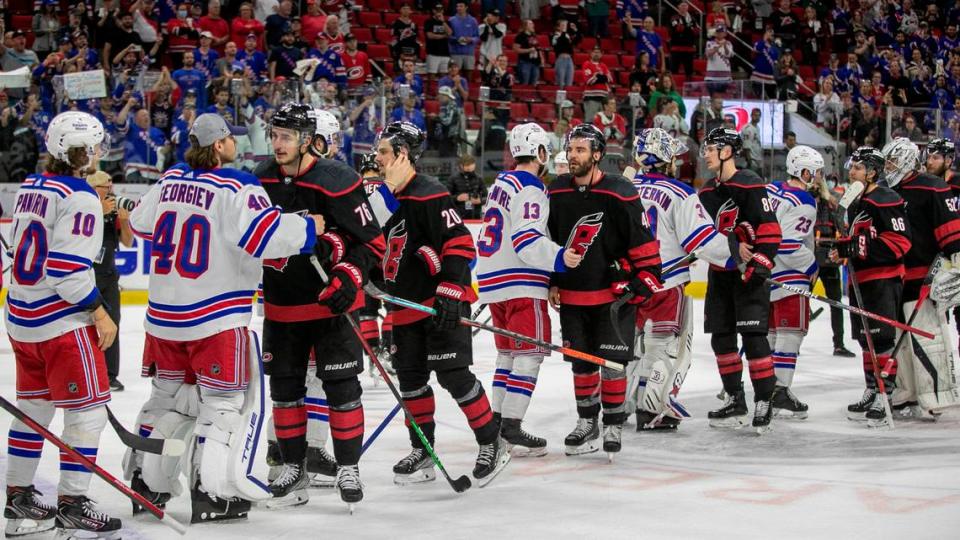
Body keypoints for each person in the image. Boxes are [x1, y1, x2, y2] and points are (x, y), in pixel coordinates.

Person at [126, 113, 325, 523]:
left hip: (162, 317)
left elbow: (139, 224)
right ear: (219, 146)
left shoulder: (169, 180)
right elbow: (265, 238)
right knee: (223, 406)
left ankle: (146, 484)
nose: (235, 144)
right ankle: (214, 495)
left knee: (165, 401)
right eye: (230, 139)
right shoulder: (237, 184)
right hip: (215, 317)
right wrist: (308, 228)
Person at [253, 103, 385, 509]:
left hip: (331, 307)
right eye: (274, 135)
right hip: (281, 306)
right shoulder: (260, 180)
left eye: (286, 137)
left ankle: (348, 466)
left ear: (307, 140)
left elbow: (373, 243)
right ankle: (293, 467)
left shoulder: (339, 179)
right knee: (285, 390)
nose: (277, 144)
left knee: (342, 389)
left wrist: (349, 276)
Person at [373, 121, 510, 487]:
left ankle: (491, 442)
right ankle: (423, 450)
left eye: (385, 151)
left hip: (439, 304)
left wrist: (450, 288)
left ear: (402, 154)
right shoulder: (381, 199)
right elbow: (372, 249)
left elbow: (462, 243)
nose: (378, 157)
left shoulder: (430, 193)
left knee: (454, 376)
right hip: (403, 307)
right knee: (411, 381)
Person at [4, 111, 120, 538]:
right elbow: (68, 272)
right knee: (86, 413)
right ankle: (73, 502)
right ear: (83, 150)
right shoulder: (82, 196)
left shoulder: (31, 187)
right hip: (60, 325)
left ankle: (18, 502)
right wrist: (101, 311)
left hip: (21, 319)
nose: (99, 152)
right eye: (95, 145)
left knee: (33, 410)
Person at [547, 124, 662, 458]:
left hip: (613, 296)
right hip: (573, 295)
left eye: (581, 150)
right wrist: (552, 280)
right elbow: (551, 241)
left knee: (612, 363)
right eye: (571, 150)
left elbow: (641, 238)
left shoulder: (619, 190)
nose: (573, 155)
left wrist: (647, 276)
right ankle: (587, 422)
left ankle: (612, 423)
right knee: (581, 365)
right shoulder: (556, 191)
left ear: (597, 155)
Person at [476, 123, 583, 455]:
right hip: (521, 283)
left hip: (493, 282)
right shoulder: (531, 186)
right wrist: (561, 258)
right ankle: (511, 425)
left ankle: (496, 422)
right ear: (539, 152)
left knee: (507, 354)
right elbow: (527, 240)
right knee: (530, 355)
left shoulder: (500, 183)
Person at [627, 128, 733, 431]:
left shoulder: (622, 188)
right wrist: (737, 255)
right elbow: (702, 240)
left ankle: (618, 405)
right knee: (667, 347)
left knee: (630, 348)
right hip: (666, 281)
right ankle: (652, 408)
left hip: (630, 283)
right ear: (665, 159)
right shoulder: (680, 192)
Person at [698, 127, 783, 433]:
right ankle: (735, 398)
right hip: (720, 276)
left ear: (727, 151)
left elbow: (770, 228)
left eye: (711, 148)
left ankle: (764, 399)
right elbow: (704, 235)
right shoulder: (706, 191)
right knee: (721, 338)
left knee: (753, 337)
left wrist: (761, 262)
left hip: (748, 277)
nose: (705, 154)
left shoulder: (750, 183)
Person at [830, 147, 912, 427]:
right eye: (851, 167)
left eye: (857, 167)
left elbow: (901, 242)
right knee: (866, 340)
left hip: (882, 280)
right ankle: (871, 389)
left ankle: (884, 394)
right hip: (860, 281)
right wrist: (843, 250)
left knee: (882, 340)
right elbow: (855, 240)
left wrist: (858, 247)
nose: (851, 172)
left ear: (872, 172)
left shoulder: (886, 199)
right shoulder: (856, 201)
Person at [882, 138, 960, 418]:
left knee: (926, 337)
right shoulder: (886, 192)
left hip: (925, 277)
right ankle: (907, 394)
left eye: (891, 161)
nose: (887, 167)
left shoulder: (933, 187)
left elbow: (952, 235)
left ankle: (935, 394)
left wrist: (955, 266)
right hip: (894, 278)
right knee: (900, 340)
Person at [764, 146, 823, 419]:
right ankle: (781, 390)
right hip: (791, 275)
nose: (818, 177)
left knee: (773, 333)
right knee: (791, 334)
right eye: (816, 172)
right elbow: (787, 244)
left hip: (767, 273)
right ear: (804, 171)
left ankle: (766, 389)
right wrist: (811, 264)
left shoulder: (771, 189)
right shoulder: (804, 201)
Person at [87, 171, 134, 393]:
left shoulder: (114, 212)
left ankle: (109, 375)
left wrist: (124, 222)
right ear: (95, 189)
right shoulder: (84, 208)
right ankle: (88, 371)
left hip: (108, 275)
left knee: (113, 322)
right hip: (87, 275)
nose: (112, 192)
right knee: (86, 326)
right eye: (107, 187)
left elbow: (127, 241)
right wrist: (97, 212)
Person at [811, 174, 856, 358]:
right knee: (800, 300)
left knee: (836, 303)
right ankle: (793, 341)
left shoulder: (831, 203)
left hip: (828, 255)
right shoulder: (806, 200)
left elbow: (842, 228)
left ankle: (839, 344)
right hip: (811, 256)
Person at [444, 155, 486, 219]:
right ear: (461, 166)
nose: (469, 167)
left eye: (471, 164)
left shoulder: (479, 178)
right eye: (467, 165)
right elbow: (445, 198)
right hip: (458, 216)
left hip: (476, 216)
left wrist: (480, 200)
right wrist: (457, 198)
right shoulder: (453, 179)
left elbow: (487, 197)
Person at [449, 1, 479, 77]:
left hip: (469, 53)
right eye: (457, 6)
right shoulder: (451, 20)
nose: (458, 8)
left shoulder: (473, 21)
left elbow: (477, 37)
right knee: (454, 75)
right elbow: (448, 36)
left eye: (461, 6)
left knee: (468, 75)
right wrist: (457, 39)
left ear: (466, 7)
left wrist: (471, 39)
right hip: (455, 52)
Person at [424, 3, 452, 81]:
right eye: (437, 11)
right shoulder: (429, 21)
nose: (439, 12)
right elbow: (430, 35)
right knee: (431, 74)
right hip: (433, 52)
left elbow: (449, 33)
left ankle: (442, 91)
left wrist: (443, 22)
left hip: (445, 53)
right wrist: (443, 36)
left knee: (444, 76)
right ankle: (430, 91)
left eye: (441, 10)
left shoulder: (446, 22)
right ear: (433, 11)